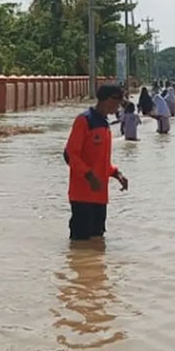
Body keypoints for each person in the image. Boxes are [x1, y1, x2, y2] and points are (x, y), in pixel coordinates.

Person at [64, 84, 129, 240]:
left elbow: (102, 161)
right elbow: (70, 154)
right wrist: (89, 176)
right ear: (106, 100)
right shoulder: (85, 121)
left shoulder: (105, 125)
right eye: (117, 101)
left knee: (97, 244)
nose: (118, 106)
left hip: (100, 196)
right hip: (82, 195)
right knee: (80, 244)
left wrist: (116, 174)